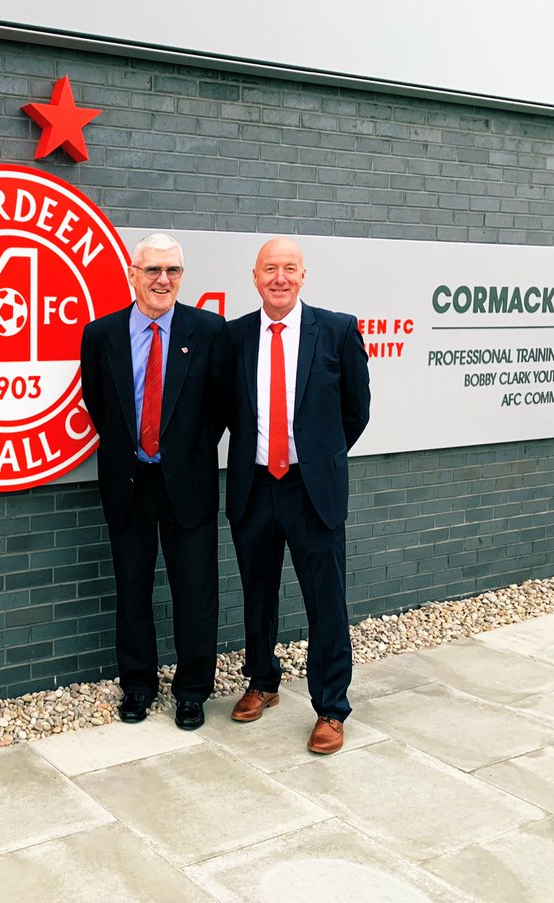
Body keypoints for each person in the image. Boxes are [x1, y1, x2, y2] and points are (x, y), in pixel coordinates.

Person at [224, 236, 370, 754]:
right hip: (256, 485)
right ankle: (262, 679)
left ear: (303, 276)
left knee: (325, 602)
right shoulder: (236, 336)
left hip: (312, 489)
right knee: (257, 594)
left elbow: (356, 411)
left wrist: (319, 456)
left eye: (289, 268)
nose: (279, 277)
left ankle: (331, 706)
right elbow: (226, 412)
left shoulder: (337, 330)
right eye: (270, 269)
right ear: (255, 277)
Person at [80, 233, 227, 731]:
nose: (163, 280)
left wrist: (184, 451)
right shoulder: (101, 336)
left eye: (173, 271)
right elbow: (101, 406)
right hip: (129, 482)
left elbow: (220, 409)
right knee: (132, 589)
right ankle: (138, 685)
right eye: (153, 271)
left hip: (188, 482)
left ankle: (191, 690)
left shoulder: (208, 330)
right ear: (133, 273)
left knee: (195, 591)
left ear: (181, 277)